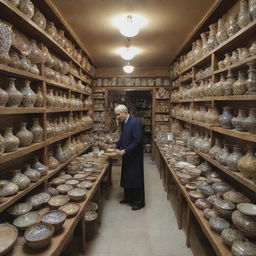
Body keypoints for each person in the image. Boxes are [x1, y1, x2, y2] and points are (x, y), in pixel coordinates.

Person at [111, 104, 145, 210]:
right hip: (126, 154)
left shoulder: (135, 122)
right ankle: (128, 198)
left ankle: (139, 202)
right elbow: (123, 138)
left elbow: (137, 141)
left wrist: (125, 151)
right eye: (116, 115)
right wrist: (116, 144)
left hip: (134, 155)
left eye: (118, 114)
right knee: (127, 177)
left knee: (136, 178)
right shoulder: (124, 123)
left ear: (125, 112)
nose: (117, 117)